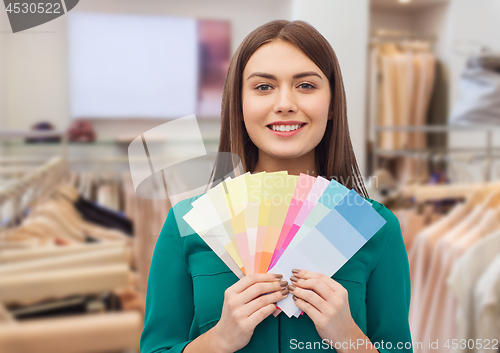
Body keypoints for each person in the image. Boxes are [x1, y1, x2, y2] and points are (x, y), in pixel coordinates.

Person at [140, 20, 413, 353]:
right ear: (239, 106)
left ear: (331, 105)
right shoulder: (185, 225)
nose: (285, 103)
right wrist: (219, 340)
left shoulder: (378, 228)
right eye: (263, 87)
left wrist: (350, 339)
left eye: (306, 86)